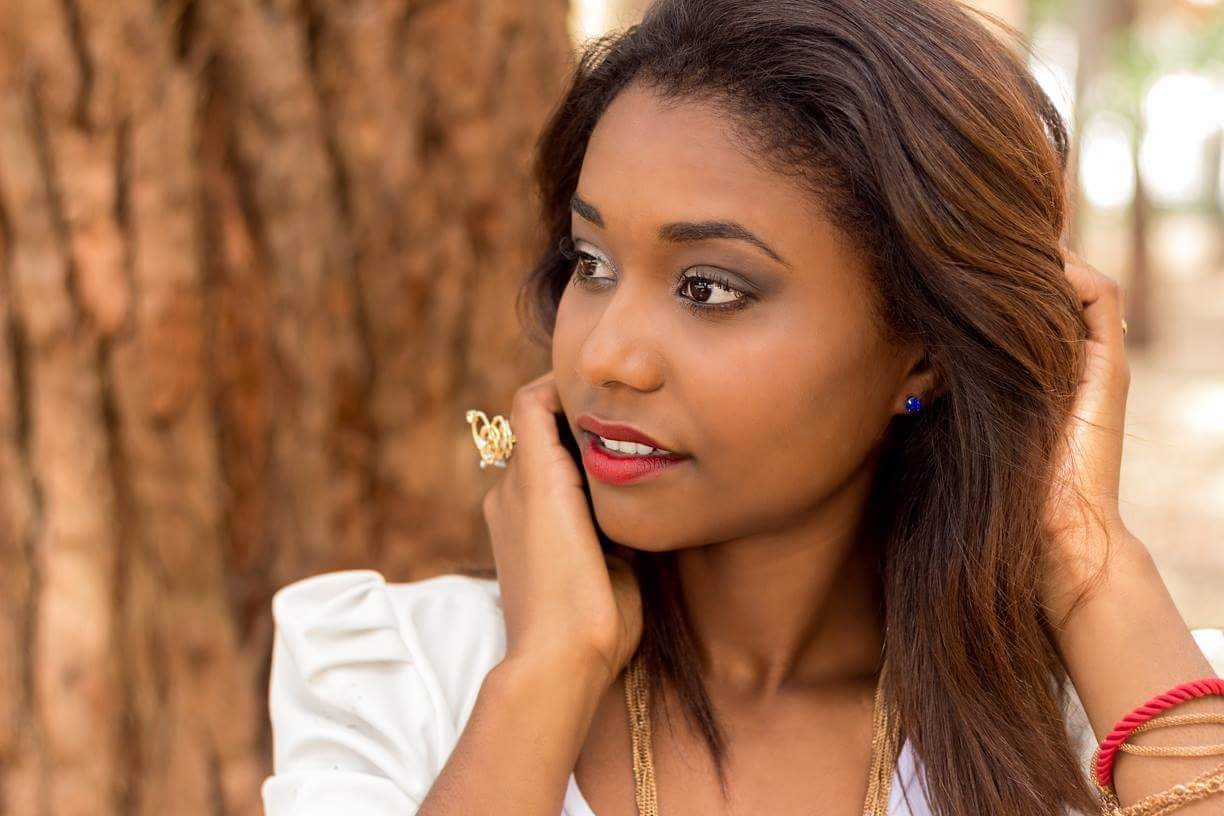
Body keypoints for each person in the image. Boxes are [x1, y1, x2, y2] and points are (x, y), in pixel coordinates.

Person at [260, 1, 1224, 813]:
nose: (603, 355)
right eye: (592, 264)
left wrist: (1086, 560)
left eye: (709, 288)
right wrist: (549, 671)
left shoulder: (1105, 710)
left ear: (924, 350)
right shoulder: (405, 678)